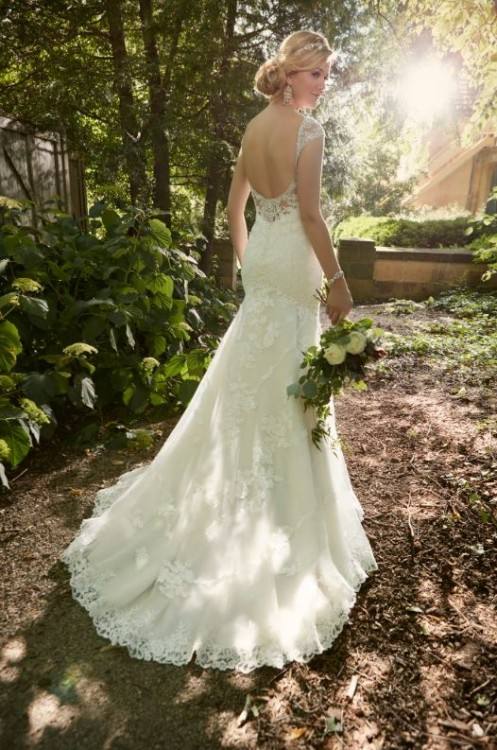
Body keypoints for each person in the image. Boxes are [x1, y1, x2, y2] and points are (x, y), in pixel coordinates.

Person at [60, 29, 378, 674]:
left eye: (327, 74)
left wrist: (249, 263)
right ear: (289, 75)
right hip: (291, 264)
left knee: (251, 377)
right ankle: (285, 516)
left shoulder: (254, 127)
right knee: (290, 374)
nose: (324, 84)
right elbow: (313, 218)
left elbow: (236, 210)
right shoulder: (308, 134)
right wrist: (339, 283)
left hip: (265, 260)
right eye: (316, 74)